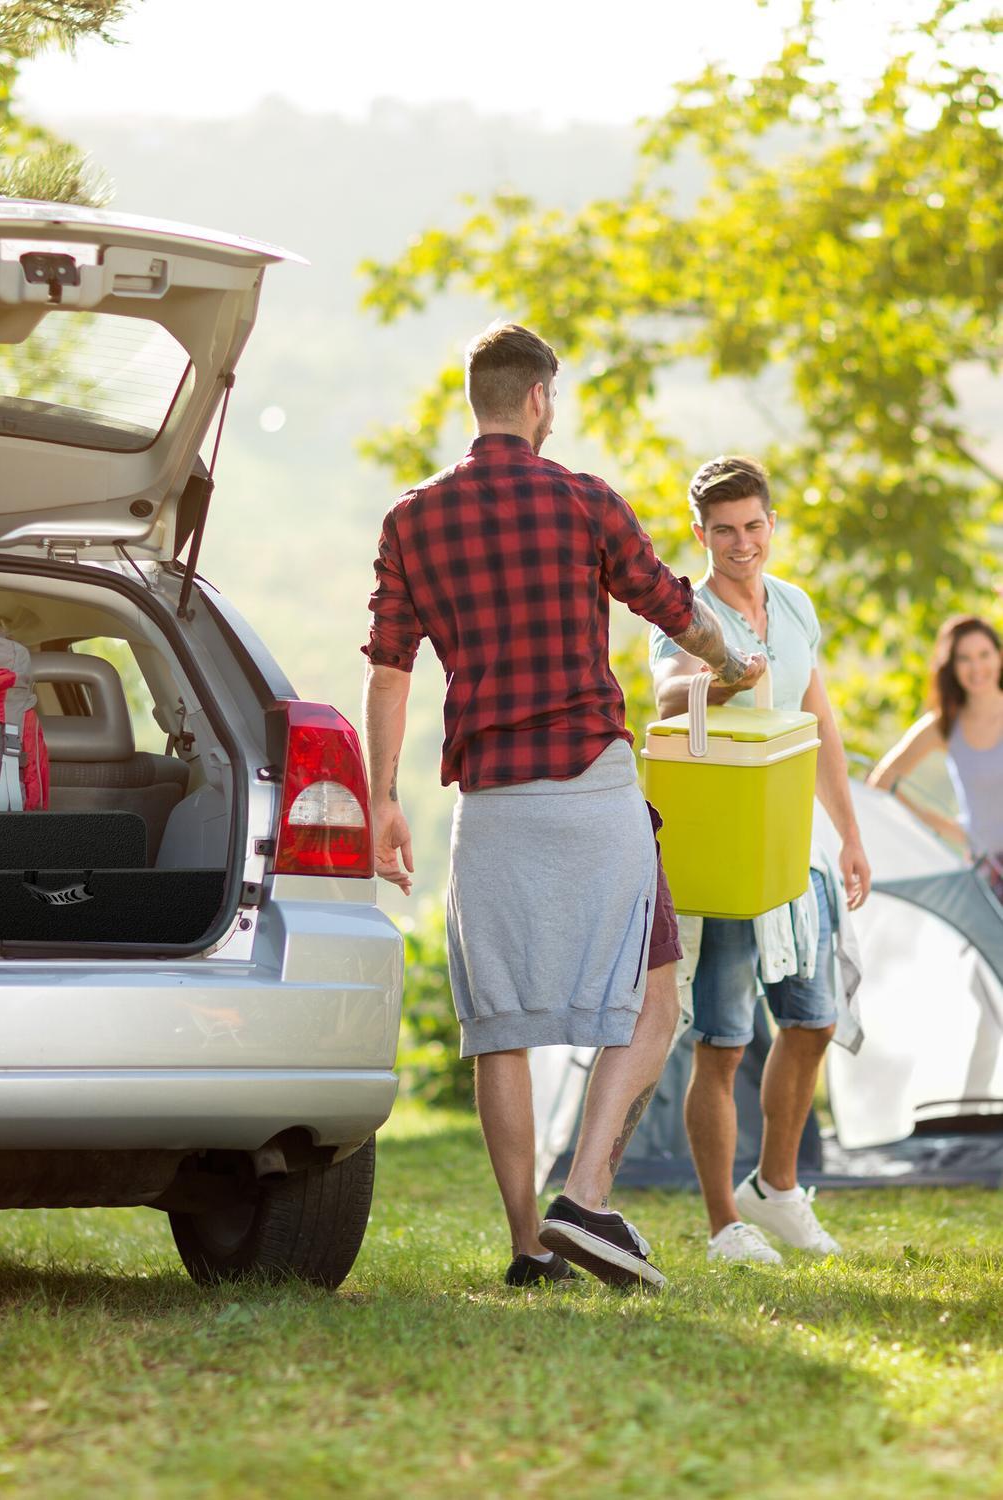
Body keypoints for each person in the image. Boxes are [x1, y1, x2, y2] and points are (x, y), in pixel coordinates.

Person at [363, 323, 762, 1292]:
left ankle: (529, 1249)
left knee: (502, 1024)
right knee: (655, 990)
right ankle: (586, 1195)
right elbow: (671, 603)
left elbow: (387, 670)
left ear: (480, 400)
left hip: (490, 797)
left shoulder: (411, 519)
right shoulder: (584, 500)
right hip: (592, 783)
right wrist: (736, 660)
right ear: (540, 398)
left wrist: (381, 799)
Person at [648, 455, 871, 1266]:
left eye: (753, 527)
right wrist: (728, 678)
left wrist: (848, 832)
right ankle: (722, 1226)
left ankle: (775, 1192)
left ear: (770, 524)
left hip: (798, 849)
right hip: (730, 854)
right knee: (724, 1041)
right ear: (700, 533)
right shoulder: (685, 611)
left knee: (813, 1020)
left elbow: (822, 722)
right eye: (724, 531)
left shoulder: (795, 605)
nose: (741, 544)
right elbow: (669, 695)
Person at [868, 615, 1003, 875]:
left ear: (998, 656)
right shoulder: (943, 726)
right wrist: (945, 826)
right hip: (987, 874)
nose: (976, 667)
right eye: (964, 658)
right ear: (951, 666)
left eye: (984, 654)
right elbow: (880, 781)